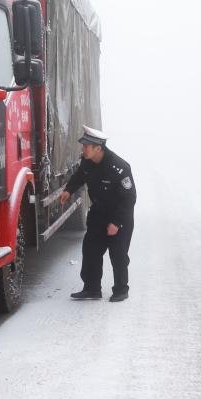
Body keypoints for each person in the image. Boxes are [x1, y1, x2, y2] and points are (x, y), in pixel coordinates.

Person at [59, 125, 136, 302]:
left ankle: (121, 290)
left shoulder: (119, 167)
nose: (83, 149)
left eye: (86, 146)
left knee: (118, 254)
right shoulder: (87, 162)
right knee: (90, 250)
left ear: (98, 148)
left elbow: (129, 198)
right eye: (83, 146)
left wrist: (116, 223)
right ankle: (91, 288)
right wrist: (68, 190)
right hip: (99, 213)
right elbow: (80, 176)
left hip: (119, 216)